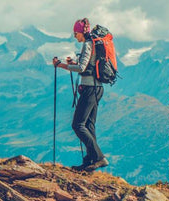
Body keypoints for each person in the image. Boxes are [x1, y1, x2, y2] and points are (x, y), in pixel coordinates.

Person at [52, 18, 108, 171]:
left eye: (75, 33)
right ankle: (90, 161)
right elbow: (87, 64)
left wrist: (61, 65)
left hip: (90, 89)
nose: (75, 36)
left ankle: (99, 158)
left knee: (78, 125)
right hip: (97, 88)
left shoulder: (88, 44)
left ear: (82, 32)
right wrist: (73, 62)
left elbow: (82, 68)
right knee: (89, 125)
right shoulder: (93, 43)